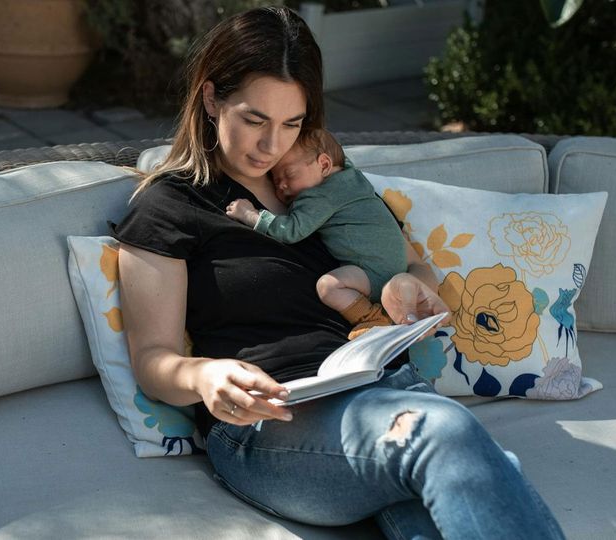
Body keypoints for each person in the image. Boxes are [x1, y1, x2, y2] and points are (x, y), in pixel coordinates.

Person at [113, 6, 566, 539]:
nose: (272, 146)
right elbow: (152, 360)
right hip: (271, 421)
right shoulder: (169, 205)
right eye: (254, 119)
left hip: (385, 387)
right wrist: (206, 376)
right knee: (443, 435)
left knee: (437, 513)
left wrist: (412, 286)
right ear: (211, 99)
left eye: (292, 123)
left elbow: (413, 264)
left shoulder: (332, 181)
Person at [224, 128, 405, 340]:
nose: (281, 185)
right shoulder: (352, 177)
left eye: (289, 174)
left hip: (374, 273)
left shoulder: (321, 196)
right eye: (275, 180)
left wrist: (252, 215)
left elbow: (292, 230)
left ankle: (371, 318)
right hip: (396, 269)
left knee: (328, 286)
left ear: (325, 165)